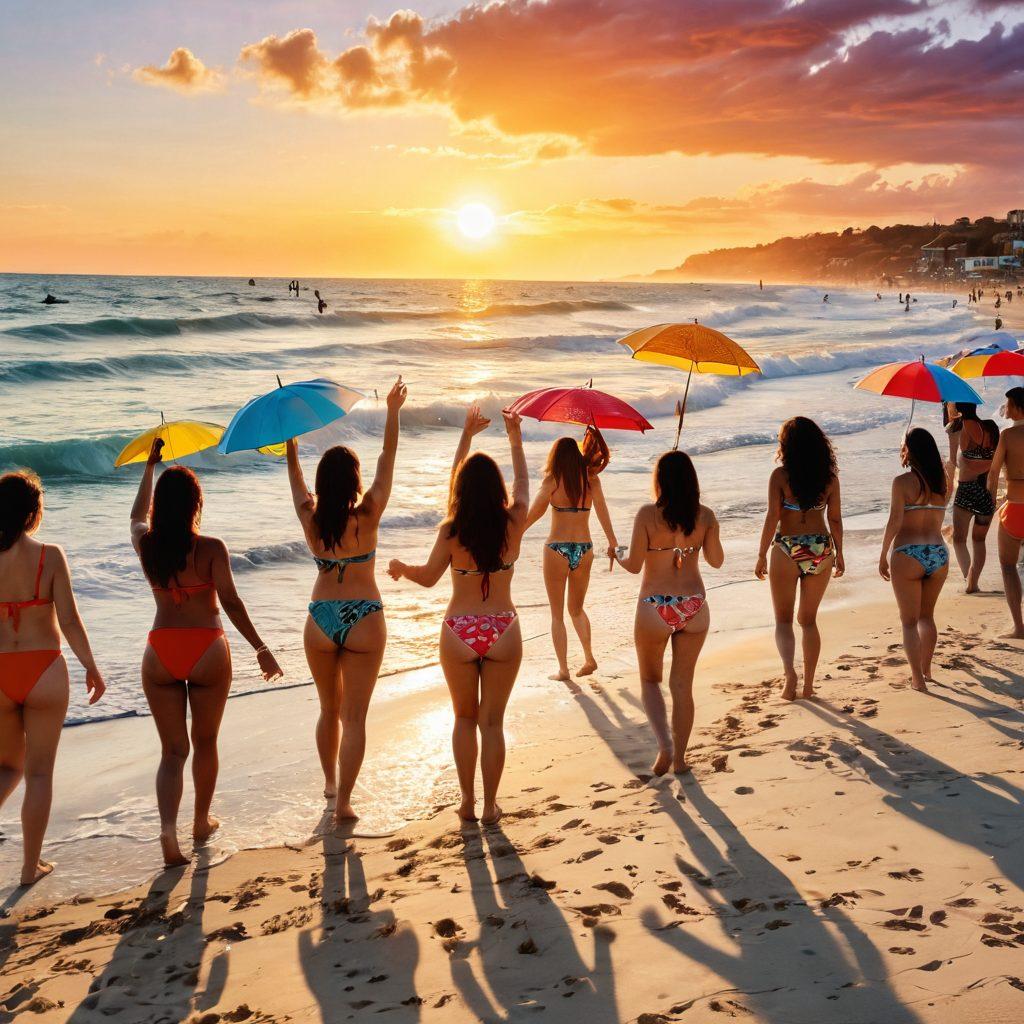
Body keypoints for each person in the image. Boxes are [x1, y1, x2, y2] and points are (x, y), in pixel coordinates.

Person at [130, 440, 282, 866]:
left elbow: (135, 517)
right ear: (197, 502)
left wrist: (149, 468)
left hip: (160, 649)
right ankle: (199, 821)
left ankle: (166, 831)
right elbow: (231, 602)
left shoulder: (147, 545)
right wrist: (261, 648)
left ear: (162, 505)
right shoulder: (211, 548)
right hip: (206, 648)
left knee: (172, 752)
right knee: (206, 741)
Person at [388, 406, 529, 825]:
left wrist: (403, 569)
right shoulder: (513, 523)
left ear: (462, 491)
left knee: (464, 719)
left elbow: (430, 578)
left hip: (459, 630)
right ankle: (490, 806)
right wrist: (515, 438)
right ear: (497, 490)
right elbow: (523, 485)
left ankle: (467, 802)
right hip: (503, 628)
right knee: (493, 722)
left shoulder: (451, 531)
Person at [285, 377, 406, 823]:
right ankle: (343, 803)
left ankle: (330, 783)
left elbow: (297, 486)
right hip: (365, 616)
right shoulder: (369, 514)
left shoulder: (312, 519)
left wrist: (291, 449)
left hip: (320, 618)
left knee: (328, 710)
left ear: (323, 483)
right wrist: (392, 411)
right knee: (354, 718)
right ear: (354, 481)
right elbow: (387, 460)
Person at [0, 471, 105, 886]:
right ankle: (30, 868)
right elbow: (71, 620)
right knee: (39, 773)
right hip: (44, 669)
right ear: (32, 513)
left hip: (1, 671)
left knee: (7, 768)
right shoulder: (50, 555)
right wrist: (91, 666)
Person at [615, 451, 723, 776]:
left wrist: (617, 552)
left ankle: (665, 745)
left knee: (650, 680)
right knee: (682, 686)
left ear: (660, 480)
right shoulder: (705, 516)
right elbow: (717, 561)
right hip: (693, 605)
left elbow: (633, 565)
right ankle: (681, 760)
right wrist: (703, 534)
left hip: (654, 607)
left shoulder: (647, 514)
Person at [755, 418, 844, 700]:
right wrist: (840, 554)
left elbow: (772, 517)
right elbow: (835, 519)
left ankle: (789, 676)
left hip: (786, 548)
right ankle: (809, 685)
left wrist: (760, 555)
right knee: (808, 621)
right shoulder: (829, 479)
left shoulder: (779, 477)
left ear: (787, 445)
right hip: (820, 547)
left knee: (783, 621)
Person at [524, 428, 617, 680]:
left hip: (557, 548)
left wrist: (516, 532)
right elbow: (603, 512)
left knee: (557, 614)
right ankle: (589, 657)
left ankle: (563, 669)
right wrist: (612, 541)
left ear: (555, 457)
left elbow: (536, 511)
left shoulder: (552, 480)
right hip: (584, 549)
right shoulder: (591, 481)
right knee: (576, 609)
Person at [879, 428, 954, 692]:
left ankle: (917, 679)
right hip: (938, 553)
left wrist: (883, 553)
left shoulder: (901, 483)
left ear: (909, 450)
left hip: (908, 553)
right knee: (927, 617)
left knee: (909, 621)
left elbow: (894, 522)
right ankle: (927, 669)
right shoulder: (943, 483)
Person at [945, 402, 999, 593]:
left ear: (958, 407)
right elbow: (992, 465)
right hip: (986, 491)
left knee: (959, 539)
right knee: (979, 541)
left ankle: (970, 581)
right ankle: (973, 580)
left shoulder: (962, 429)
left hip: (967, 491)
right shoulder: (990, 427)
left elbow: (955, 462)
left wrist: (952, 428)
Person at [988, 386, 1024, 638]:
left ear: (1018, 408)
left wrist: (991, 503)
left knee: (1008, 566)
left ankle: (1019, 627)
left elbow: (993, 473)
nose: (1006, 409)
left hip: (1016, 508)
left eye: (1009, 404)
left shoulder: (1007, 435)